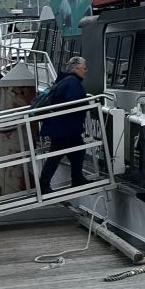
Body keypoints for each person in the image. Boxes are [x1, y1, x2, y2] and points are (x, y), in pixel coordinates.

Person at [36, 57, 90, 195]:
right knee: (56, 156)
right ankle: (44, 185)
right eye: (84, 68)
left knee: (77, 151)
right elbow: (74, 103)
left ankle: (76, 178)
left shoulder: (64, 80)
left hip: (61, 126)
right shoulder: (73, 83)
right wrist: (88, 104)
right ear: (76, 69)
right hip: (64, 128)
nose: (86, 71)